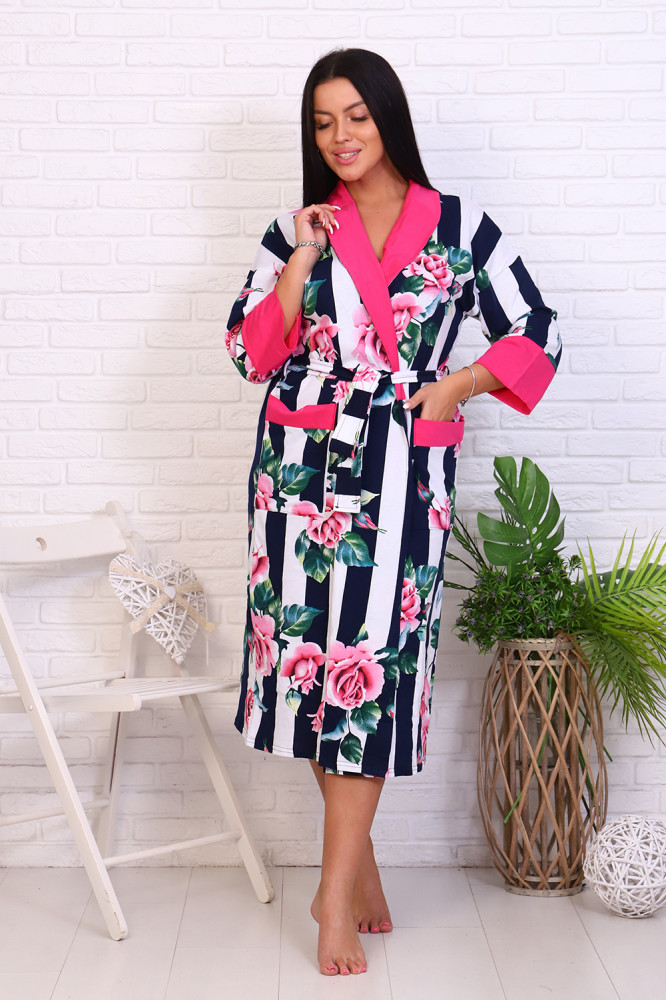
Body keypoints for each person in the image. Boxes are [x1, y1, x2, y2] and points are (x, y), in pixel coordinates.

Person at [224, 48, 561, 977]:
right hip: (296, 473)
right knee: (307, 661)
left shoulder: (459, 228)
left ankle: (330, 894)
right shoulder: (299, 228)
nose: (340, 136)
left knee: (370, 667)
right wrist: (301, 256)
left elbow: (537, 328)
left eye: (357, 116)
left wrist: (457, 384)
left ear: (388, 118)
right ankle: (359, 863)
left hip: (404, 467)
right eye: (323, 122)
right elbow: (250, 353)